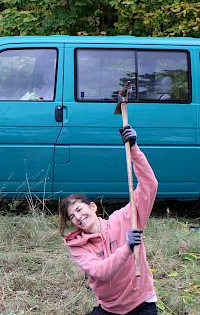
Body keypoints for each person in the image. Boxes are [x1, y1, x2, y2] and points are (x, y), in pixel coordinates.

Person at [58, 125, 159, 315]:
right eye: (72, 217)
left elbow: (149, 186)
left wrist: (134, 149)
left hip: (141, 304)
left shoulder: (124, 219)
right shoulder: (77, 245)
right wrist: (127, 248)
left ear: (93, 207)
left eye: (79, 209)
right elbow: (101, 272)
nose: (78, 217)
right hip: (110, 309)